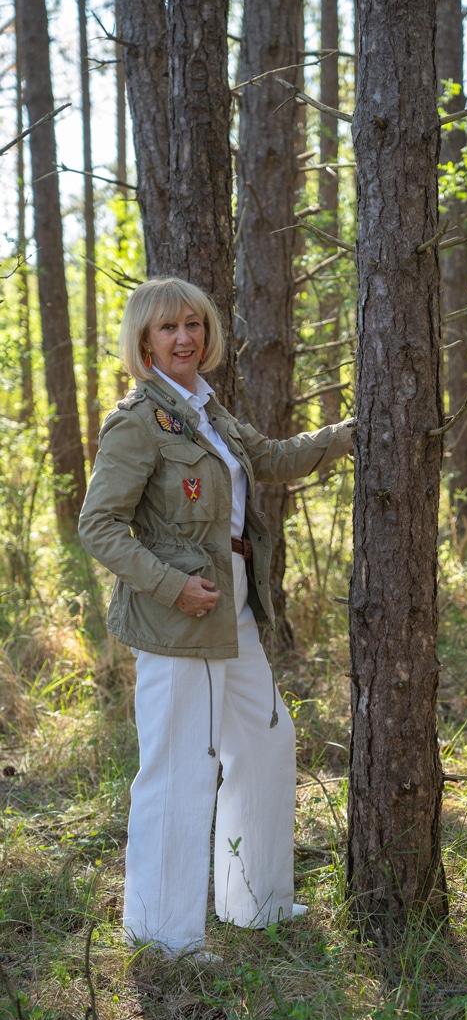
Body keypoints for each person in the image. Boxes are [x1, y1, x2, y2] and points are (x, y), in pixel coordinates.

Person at [79, 277, 353, 959]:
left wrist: (354, 431)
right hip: (180, 618)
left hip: (234, 608)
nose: (184, 338)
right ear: (143, 342)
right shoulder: (137, 421)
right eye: (168, 328)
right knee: (178, 770)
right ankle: (163, 936)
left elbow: (273, 459)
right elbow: (99, 525)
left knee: (266, 745)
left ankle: (254, 902)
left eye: (193, 324)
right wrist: (172, 587)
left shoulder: (208, 410)